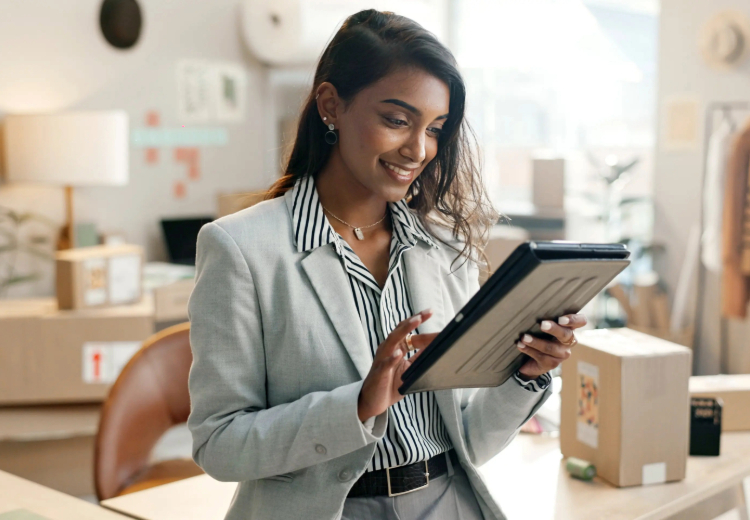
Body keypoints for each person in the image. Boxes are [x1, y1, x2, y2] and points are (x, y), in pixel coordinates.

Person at [187, 9, 585, 520]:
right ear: (332, 106)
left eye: (435, 128)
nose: (418, 150)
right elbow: (218, 444)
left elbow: (468, 442)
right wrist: (356, 405)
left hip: (448, 504)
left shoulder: (445, 248)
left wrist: (526, 375)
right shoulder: (240, 248)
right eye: (397, 120)